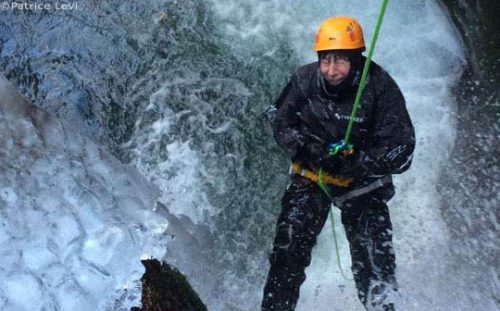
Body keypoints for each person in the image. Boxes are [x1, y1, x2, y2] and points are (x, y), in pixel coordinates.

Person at [261, 16, 415, 311]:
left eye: (341, 61)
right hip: (314, 177)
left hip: (363, 186)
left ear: (357, 59)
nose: (332, 70)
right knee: (287, 249)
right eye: (326, 60)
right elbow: (279, 120)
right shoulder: (305, 80)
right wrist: (312, 149)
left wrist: (360, 161)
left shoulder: (380, 88)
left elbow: (402, 149)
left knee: (375, 266)